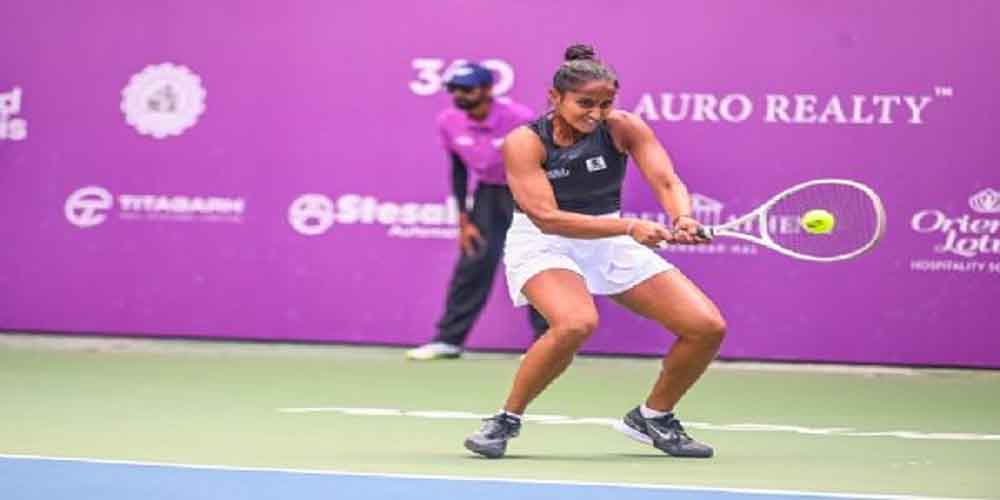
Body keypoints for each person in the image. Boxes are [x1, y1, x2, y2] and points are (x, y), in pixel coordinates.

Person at [463, 45, 726, 459]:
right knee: (575, 323)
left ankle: (653, 417)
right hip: (543, 242)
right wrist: (630, 227)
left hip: (608, 240)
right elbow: (548, 218)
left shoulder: (623, 127)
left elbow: (666, 180)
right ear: (555, 97)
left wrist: (683, 217)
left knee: (706, 327)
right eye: (585, 103)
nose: (596, 114)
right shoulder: (524, 142)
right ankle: (505, 419)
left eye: (605, 104)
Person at [406, 63, 549, 361]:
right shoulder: (448, 121)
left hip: (527, 191)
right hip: (487, 195)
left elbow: (545, 161)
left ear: (487, 90)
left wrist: (542, 204)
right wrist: (463, 218)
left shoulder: (519, 118)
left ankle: (547, 344)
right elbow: (458, 168)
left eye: (467, 89)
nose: (459, 95)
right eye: (454, 89)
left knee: (534, 264)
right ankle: (448, 340)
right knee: (473, 264)